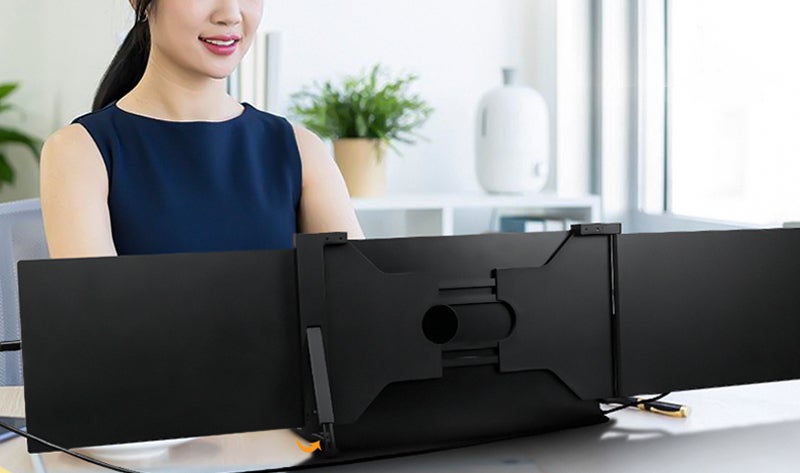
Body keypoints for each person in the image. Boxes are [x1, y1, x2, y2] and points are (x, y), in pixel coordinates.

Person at [39, 0, 364, 258]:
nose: (230, 14)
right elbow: (95, 315)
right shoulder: (79, 152)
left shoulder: (301, 149)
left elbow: (359, 299)